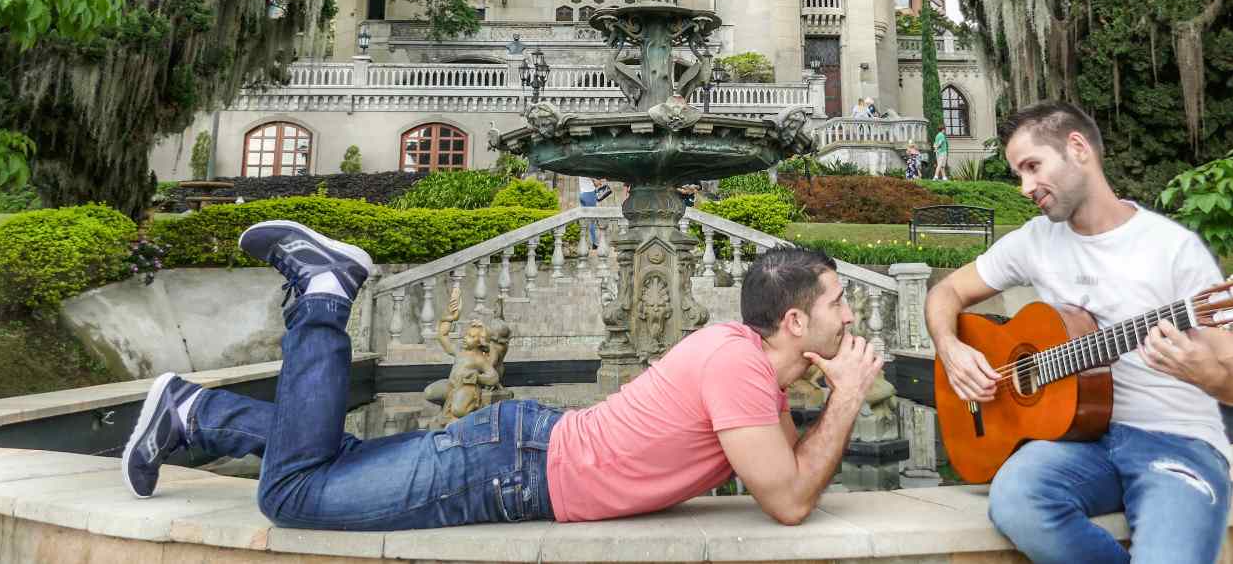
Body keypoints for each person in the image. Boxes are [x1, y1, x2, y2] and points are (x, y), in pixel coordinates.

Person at [122, 229, 883, 530]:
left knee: (340, 464)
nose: (849, 316)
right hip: (507, 470)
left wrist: (822, 399)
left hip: (514, 454)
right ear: (792, 322)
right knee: (293, 496)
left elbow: (783, 473)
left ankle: (193, 413)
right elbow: (788, 502)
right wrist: (847, 396)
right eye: (839, 302)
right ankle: (324, 297)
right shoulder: (737, 366)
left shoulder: (754, 371)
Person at [923, 102, 1233, 564]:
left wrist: (1212, 376)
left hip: (1175, 442)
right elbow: (945, 292)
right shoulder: (1035, 241)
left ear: (1078, 148)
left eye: (1032, 167)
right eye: (1018, 174)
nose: (1025, 188)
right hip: (1077, 443)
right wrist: (951, 348)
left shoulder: (1173, 249)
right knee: (1017, 501)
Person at [579, 176, 604, 246]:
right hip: (589, 194)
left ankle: (585, 242)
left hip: (582, 194)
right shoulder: (588, 170)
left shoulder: (579, 170)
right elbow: (596, 183)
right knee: (592, 220)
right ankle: (594, 243)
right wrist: (600, 182)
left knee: (584, 220)